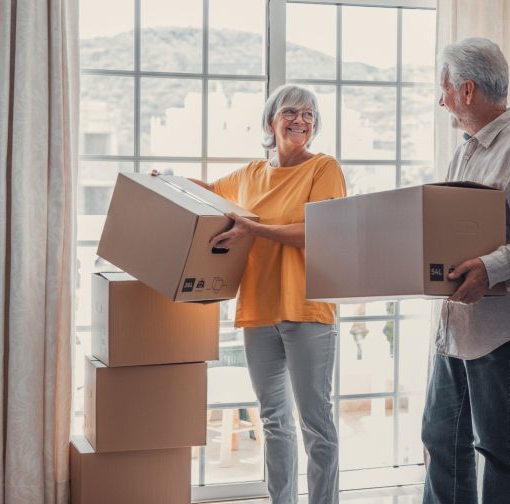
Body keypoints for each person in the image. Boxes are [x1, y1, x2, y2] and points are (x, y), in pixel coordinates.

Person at [157, 84, 345, 504]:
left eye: (309, 115)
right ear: (271, 120)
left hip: (307, 309)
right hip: (259, 310)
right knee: (275, 420)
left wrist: (256, 228)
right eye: (291, 112)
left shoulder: (323, 168)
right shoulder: (250, 175)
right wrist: (165, 182)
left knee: (316, 423)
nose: (301, 121)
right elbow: (207, 192)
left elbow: (321, 233)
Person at [421, 38, 510, 504]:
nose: (439, 98)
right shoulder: (466, 150)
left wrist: (490, 267)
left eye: (443, 87)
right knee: (441, 440)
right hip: (456, 329)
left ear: (466, 90)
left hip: (500, 333)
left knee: (501, 452)